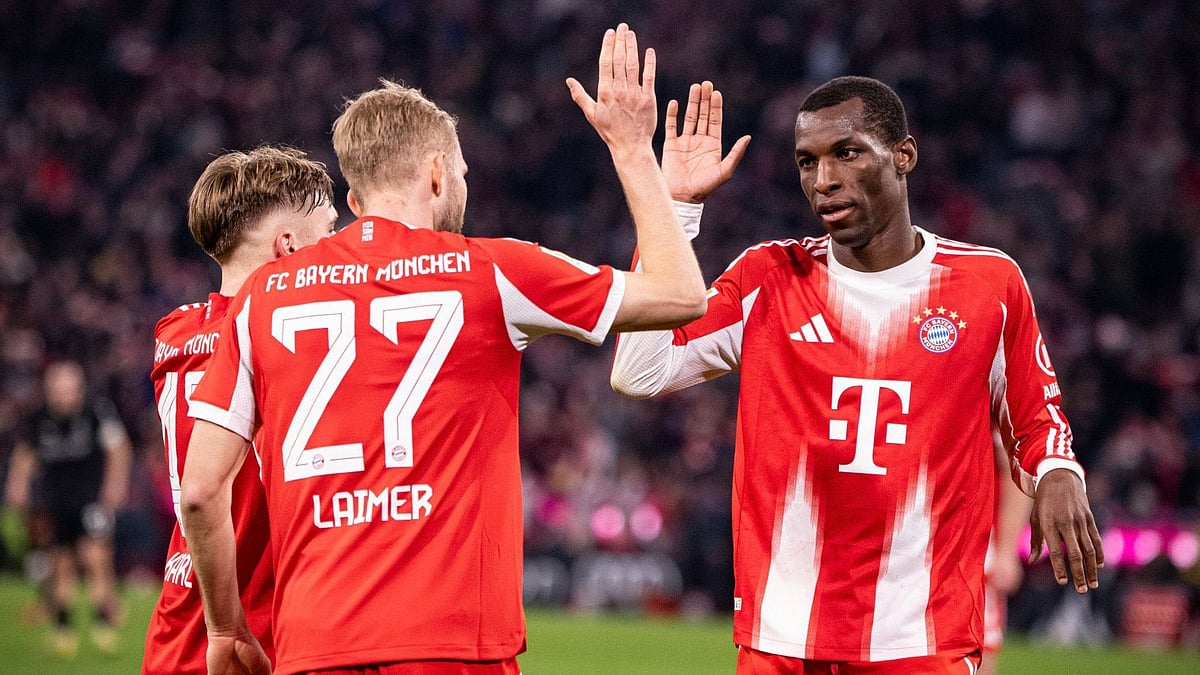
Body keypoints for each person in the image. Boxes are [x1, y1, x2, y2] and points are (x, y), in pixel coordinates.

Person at [180, 23, 707, 675]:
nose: (462, 183)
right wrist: (632, 151)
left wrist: (227, 627)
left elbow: (201, 488)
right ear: (435, 172)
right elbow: (684, 294)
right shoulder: (492, 270)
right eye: (460, 170)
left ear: (353, 198)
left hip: (313, 644)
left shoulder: (263, 297)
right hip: (451, 644)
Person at [610, 75, 1104, 673]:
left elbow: (1035, 418)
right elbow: (640, 370)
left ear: (904, 155)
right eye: (807, 162)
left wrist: (1058, 470)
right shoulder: (770, 277)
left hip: (923, 638)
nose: (824, 181)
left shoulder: (987, 285)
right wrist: (674, 207)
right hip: (781, 638)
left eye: (846, 153)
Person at [141, 146, 337, 674]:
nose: (341, 251)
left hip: (180, 619)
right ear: (289, 246)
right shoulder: (291, 340)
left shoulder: (174, 331)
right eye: (330, 231)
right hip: (254, 629)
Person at [4, 360, 131, 657]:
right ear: (48, 391)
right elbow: (24, 454)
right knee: (60, 564)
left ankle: (103, 626)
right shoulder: (39, 419)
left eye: (69, 389)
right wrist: (18, 485)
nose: (63, 396)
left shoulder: (96, 413)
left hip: (91, 501)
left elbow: (119, 449)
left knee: (96, 557)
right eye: (57, 390)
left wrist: (114, 486)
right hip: (56, 502)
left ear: (79, 389)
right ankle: (64, 629)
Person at [980, 440, 1034, 675]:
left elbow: (1018, 464)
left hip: (973, 546)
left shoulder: (984, 402)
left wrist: (1005, 552)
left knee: (975, 647)